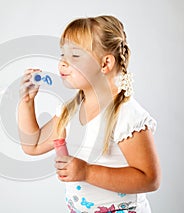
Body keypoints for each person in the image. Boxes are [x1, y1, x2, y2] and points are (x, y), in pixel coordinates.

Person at [18, 15, 161, 213]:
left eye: (74, 55)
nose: (62, 63)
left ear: (105, 64)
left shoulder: (127, 115)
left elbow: (149, 179)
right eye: (62, 55)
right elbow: (32, 145)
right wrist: (27, 102)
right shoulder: (70, 112)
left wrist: (87, 172)